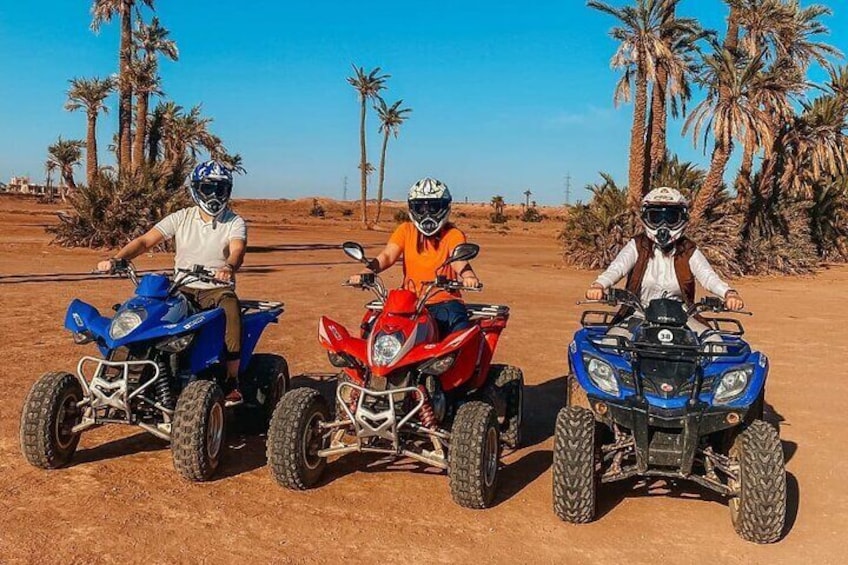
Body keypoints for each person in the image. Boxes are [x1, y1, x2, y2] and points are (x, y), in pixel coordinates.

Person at [96, 161, 247, 405]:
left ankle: (231, 381)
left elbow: (237, 250)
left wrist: (228, 267)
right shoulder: (181, 217)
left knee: (231, 310)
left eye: (220, 189)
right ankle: (120, 373)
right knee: (147, 311)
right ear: (196, 188)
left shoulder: (234, 222)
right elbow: (145, 241)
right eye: (208, 188)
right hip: (181, 287)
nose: (214, 195)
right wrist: (117, 259)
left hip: (215, 289)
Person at [585, 186, 744, 341]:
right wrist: (599, 285)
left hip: (681, 315)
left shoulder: (688, 250)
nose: (663, 225)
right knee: (613, 341)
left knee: (714, 343)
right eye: (656, 217)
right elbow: (617, 268)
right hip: (640, 313)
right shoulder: (637, 245)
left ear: (682, 219)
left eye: (670, 217)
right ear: (646, 218)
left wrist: (728, 293)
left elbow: (709, 277)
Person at [349, 177, 480, 338]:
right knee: (371, 330)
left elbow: (458, 259)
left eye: (433, 207)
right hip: (407, 302)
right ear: (412, 208)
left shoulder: (453, 235)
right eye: (420, 207)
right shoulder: (405, 230)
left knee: (460, 336)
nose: (426, 213)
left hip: (444, 301)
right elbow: (388, 255)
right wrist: (366, 271)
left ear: (445, 207)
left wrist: (468, 276)